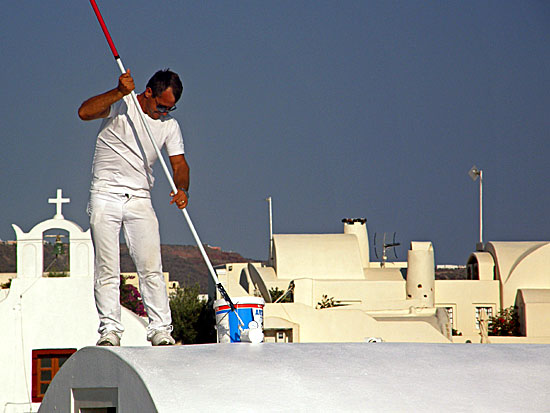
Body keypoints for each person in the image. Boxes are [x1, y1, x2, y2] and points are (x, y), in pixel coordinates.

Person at [78, 69, 189, 346]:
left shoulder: (169, 125)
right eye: (161, 106)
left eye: (170, 108)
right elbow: (84, 112)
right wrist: (118, 91)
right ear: (148, 92)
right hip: (105, 194)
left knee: (151, 266)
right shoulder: (121, 105)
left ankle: (161, 329)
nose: (164, 113)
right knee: (107, 267)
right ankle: (110, 330)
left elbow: (179, 164)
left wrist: (182, 188)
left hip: (140, 198)